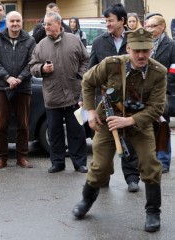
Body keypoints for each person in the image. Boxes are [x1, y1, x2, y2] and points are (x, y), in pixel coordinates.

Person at [72, 27, 167, 233]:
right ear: (128, 48)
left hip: (140, 124)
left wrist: (129, 121)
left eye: (146, 50)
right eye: (137, 51)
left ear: (152, 49)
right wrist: (90, 111)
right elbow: (88, 81)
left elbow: (157, 108)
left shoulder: (158, 72)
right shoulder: (112, 64)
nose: (141, 55)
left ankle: (153, 211)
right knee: (100, 167)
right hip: (108, 120)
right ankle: (86, 201)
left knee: (150, 165)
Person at [89, 3, 141, 192]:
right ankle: (103, 176)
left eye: (110, 20)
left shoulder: (134, 39)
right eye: (106, 21)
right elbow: (90, 73)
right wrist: (84, 100)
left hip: (130, 98)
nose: (107, 24)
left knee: (129, 138)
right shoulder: (98, 42)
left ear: (122, 20)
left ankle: (132, 178)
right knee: (103, 141)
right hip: (105, 100)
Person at [29, 11, 89, 174]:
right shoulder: (41, 45)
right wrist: (42, 68)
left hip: (74, 94)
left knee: (77, 130)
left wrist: (80, 74)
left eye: (48, 24)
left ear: (58, 24)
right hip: (52, 95)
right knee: (54, 131)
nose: (46, 27)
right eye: (44, 25)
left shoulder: (74, 40)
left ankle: (79, 163)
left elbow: (86, 59)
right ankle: (57, 162)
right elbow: (32, 67)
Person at [0, 11, 36, 169]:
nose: (15, 24)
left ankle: (22, 157)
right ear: (6, 22)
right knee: (1, 125)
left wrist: (20, 78)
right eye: (12, 21)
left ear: (22, 22)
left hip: (23, 87)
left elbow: (33, 62)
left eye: (18, 21)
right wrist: (7, 77)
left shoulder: (30, 40)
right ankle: (1, 158)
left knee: (23, 124)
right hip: (2, 86)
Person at [145, 15, 175, 173]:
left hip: (163, 92)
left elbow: (174, 68)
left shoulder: (171, 45)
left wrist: (164, 85)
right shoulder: (145, 44)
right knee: (146, 125)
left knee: (162, 125)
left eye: (153, 26)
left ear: (163, 26)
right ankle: (149, 158)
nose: (150, 29)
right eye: (148, 26)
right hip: (144, 91)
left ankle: (163, 160)